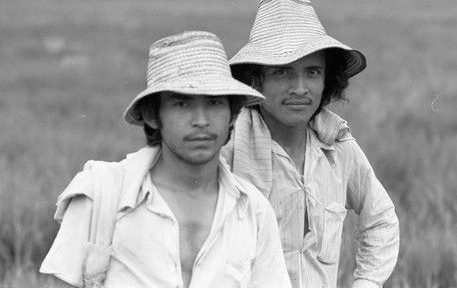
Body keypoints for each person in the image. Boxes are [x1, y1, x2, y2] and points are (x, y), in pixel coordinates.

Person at [40, 31, 292, 288]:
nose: (201, 120)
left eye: (215, 102)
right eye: (182, 104)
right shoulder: (102, 193)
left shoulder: (254, 211)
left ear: (233, 114)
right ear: (152, 114)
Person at [221, 0, 400, 288]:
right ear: (256, 79)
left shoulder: (338, 147)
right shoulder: (230, 148)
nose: (300, 88)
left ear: (326, 79)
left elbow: (380, 221)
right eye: (282, 72)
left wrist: (367, 282)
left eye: (313, 72)